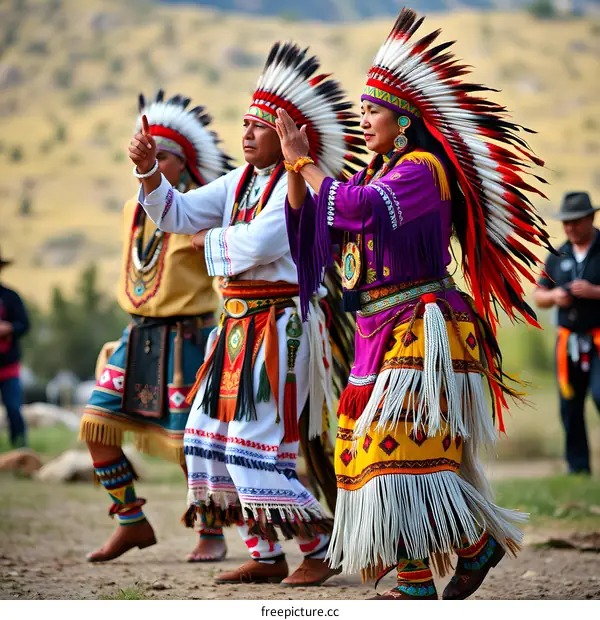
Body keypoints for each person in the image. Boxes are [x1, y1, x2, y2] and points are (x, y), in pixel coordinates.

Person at [281, 8, 552, 600]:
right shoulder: (382, 171)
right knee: (370, 454)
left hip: (419, 326)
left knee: (398, 450)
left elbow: (361, 209)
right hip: (378, 327)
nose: (364, 119)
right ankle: (448, 561)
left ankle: (442, 566)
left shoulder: (420, 171)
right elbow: (318, 234)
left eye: (373, 109)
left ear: (404, 118)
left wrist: (306, 161)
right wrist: (294, 171)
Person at [129, 42, 362, 586]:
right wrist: (148, 176)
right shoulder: (241, 183)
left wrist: (205, 238)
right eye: (246, 124)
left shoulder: (297, 188)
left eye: (262, 126)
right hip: (235, 330)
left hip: (281, 330)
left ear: (289, 138)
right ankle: (263, 550)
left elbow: (258, 244)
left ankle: (319, 546)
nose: (249, 134)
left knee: (252, 445)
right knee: (203, 439)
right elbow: (178, 212)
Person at [79, 92, 233, 563]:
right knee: (95, 427)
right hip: (137, 337)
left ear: (184, 165)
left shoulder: (200, 211)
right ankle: (131, 521)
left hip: (188, 338)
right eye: (149, 154)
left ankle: (211, 532)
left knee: (193, 444)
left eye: (163, 156)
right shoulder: (133, 209)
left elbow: (227, 274)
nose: (152, 161)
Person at [535, 191, 600, 475]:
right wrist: (555, 297)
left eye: (575, 221)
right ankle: (578, 469)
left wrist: (594, 292)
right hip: (568, 341)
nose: (570, 227)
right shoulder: (556, 254)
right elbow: (539, 295)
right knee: (569, 405)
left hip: (598, 338)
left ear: (591, 218)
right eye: (566, 222)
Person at [0, 250, 30, 449]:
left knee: (13, 408)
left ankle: (19, 446)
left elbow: (25, 325)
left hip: (8, 365)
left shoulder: (11, 297)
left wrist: (9, 328)